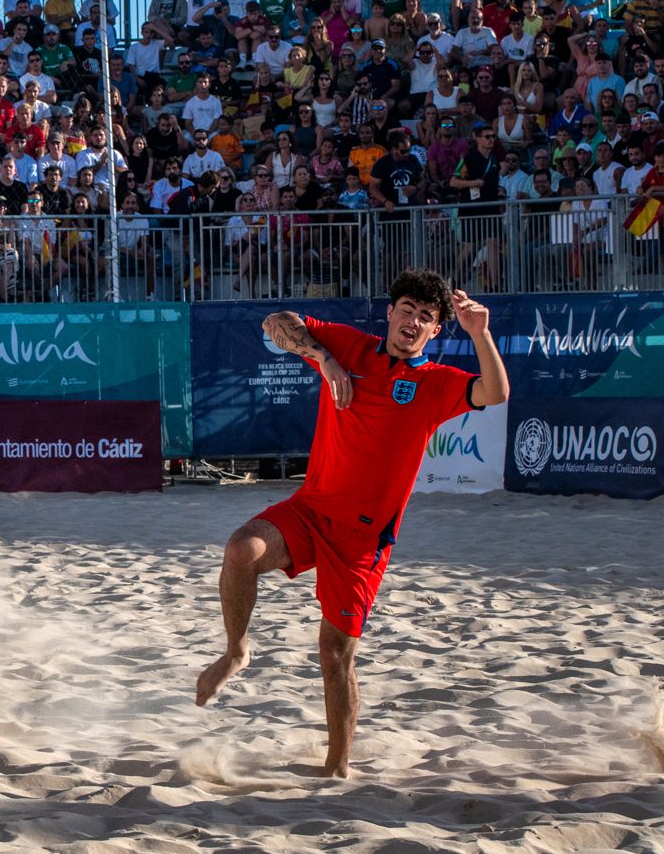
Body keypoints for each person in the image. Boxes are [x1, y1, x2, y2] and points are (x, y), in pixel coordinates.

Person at [196, 269, 509, 778]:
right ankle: (236, 651)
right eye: (407, 309)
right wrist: (325, 360)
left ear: (434, 332)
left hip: (364, 539)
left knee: (335, 654)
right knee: (240, 549)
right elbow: (277, 322)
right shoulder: (351, 347)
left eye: (426, 318)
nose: (413, 321)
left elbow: (495, 393)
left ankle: (337, 768)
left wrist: (481, 333)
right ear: (390, 312)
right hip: (311, 509)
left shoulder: (434, 384)